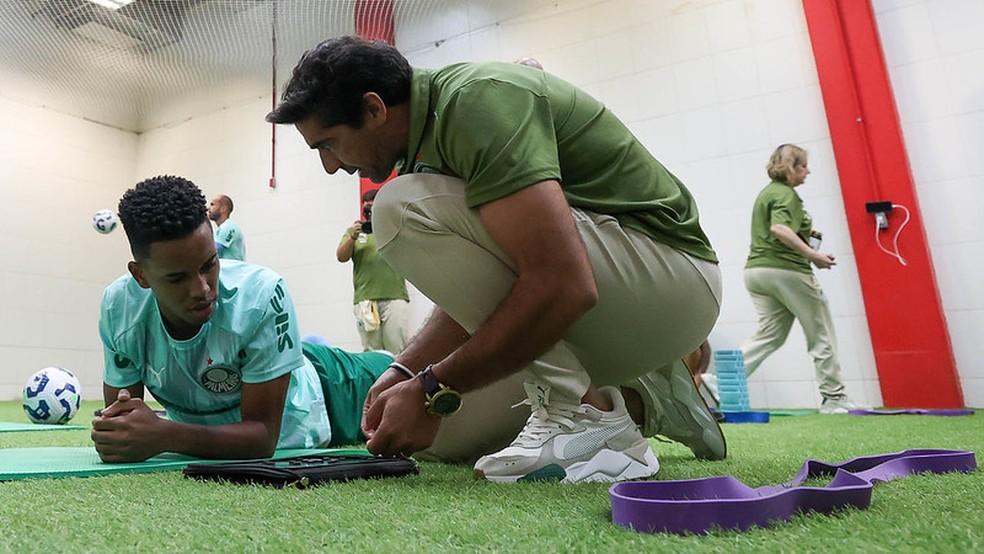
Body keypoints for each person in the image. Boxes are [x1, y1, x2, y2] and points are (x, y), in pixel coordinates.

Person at [267, 36, 724, 483]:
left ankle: (591, 416)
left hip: (674, 276)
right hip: (617, 300)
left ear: (373, 109)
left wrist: (432, 389)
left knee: (397, 208)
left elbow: (562, 283)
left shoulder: (476, 102)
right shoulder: (423, 150)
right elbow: (491, 285)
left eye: (327, 144)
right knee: (439, 437)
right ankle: (643, 398)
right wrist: (406, 372)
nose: (330, 166)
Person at [91, 175, 394, 462]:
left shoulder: (261, 293)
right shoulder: (120, 308)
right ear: (141, 276)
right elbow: (122, 419)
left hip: (332, 392)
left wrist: (167, 435)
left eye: (209, 264)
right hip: (254, 385)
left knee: (402, 377)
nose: (202, 289)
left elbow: (262, 436)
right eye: (177, 278)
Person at [740, 144, 861, 414]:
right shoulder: (786, 195)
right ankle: (834, 398)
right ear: (790, 167)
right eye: (803, 165)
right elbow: (779, 228)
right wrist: (813, 255)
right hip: (787, 271)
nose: (808, 171)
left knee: (769, 335)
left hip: (756, 272)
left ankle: (716, 385)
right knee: (821, 332)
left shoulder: (767, 193)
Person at [336, 189, 411, 353]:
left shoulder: (392, 227)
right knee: (372, 350)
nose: (369, 212)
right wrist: (353, 237)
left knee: (398, 347)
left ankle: (399, 378)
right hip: (366, 300)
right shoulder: (354, 231)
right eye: (366, 208)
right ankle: (376, 379)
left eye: (372, 207)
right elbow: (341, 256)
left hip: (395, 296)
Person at [208, 194, 246, 261]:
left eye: (212, 204)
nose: (208, 208)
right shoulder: (219, 229)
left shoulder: (229, 227)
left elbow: (215, 251)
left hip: (233, 270)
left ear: (223, 209)